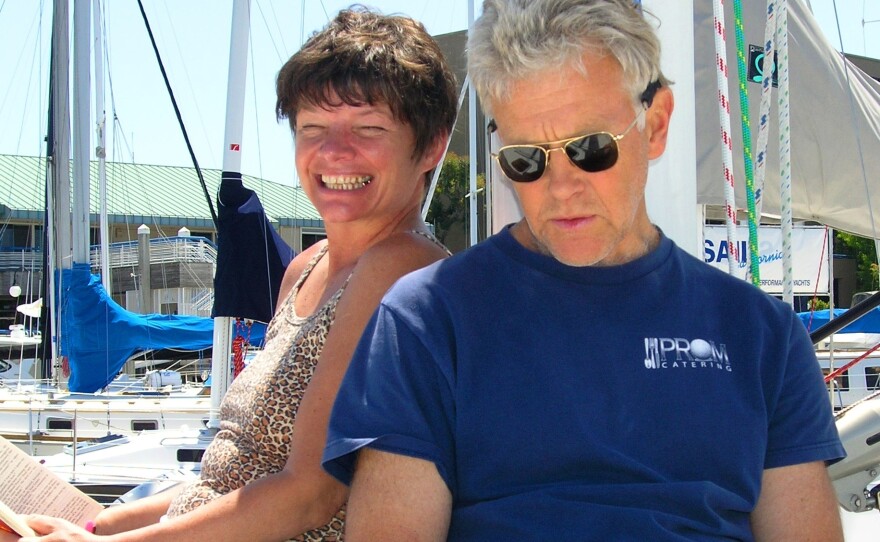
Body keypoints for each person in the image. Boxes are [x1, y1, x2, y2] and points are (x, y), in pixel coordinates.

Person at [322, 0, 847, 540]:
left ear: (657, 125)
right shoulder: (425, 323)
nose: (562, 189)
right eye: (526, 160)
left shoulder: (765, 338)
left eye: (591, 149)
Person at [22, 7, 457, 542]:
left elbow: (311, 494)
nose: (333, 152)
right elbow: (235, 469)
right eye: (313, 127)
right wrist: (96, 524)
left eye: (368, 129)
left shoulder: (402, 266)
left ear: (431, 145)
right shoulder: (307, 267)